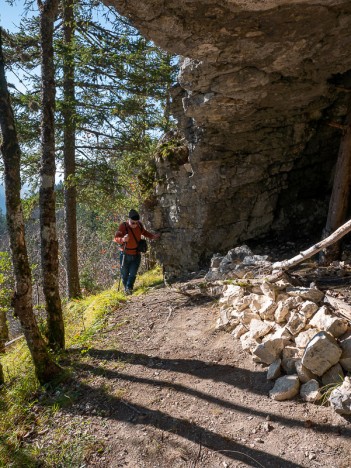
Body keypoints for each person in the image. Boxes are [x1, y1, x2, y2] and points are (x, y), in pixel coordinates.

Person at [113, 209, 160, 295]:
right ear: (129, 220)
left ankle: (129, 288)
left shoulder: (139, 225)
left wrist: (152, 236)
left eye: (136, 222)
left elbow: (144, 232)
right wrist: (123, 239)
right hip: (125, 254)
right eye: (133, 223)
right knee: (124, 274)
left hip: (136, 254)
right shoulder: (123, 226)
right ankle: (126, 288)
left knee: (133, 273)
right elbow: (116, 238)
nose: (135, 225)